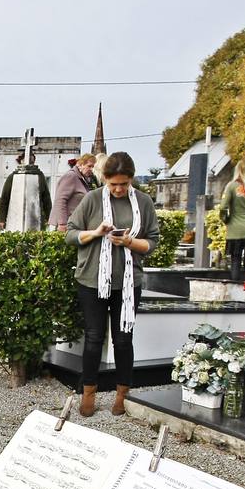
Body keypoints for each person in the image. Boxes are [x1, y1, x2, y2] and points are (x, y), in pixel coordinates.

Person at [65, 151, 160, 418]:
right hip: (92, 280)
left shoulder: (143, 202)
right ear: (104, 179)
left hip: (128, 282)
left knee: (123, 339)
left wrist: (128, 242)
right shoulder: (92, 199)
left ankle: (122, 394)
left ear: (131, 180)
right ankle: (88, 393)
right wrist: (96, 233)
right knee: (93, 338)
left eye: (124, 184)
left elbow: (151, 242)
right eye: (113, 184)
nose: (118, 189)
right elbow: (70, 235)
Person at [48, 154, 97, 230]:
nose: (91, 169)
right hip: (67, 223)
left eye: (93, 167)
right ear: (81, 164)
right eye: (89, 166)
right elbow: (60, 200)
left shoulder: (83, 178)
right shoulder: (71, 176)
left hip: (75, 223)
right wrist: (62, 223)